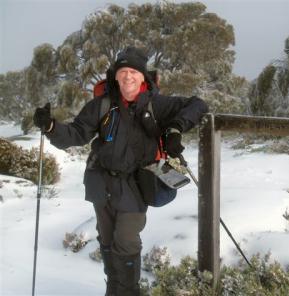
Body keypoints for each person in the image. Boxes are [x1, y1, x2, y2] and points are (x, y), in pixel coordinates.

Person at [33, 46, 208, 296]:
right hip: (101, 183)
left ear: (142, 77)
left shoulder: (156, 104)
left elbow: (198, 104)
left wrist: (176, 128)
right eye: (123, 71)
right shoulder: (101, 106)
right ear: (114, 76)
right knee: (106, 241)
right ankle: (113, 291)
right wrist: (50, 127)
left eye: (134, 72)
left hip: (136, 184)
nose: (128, 77)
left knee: (126, 239)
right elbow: (76, 134)